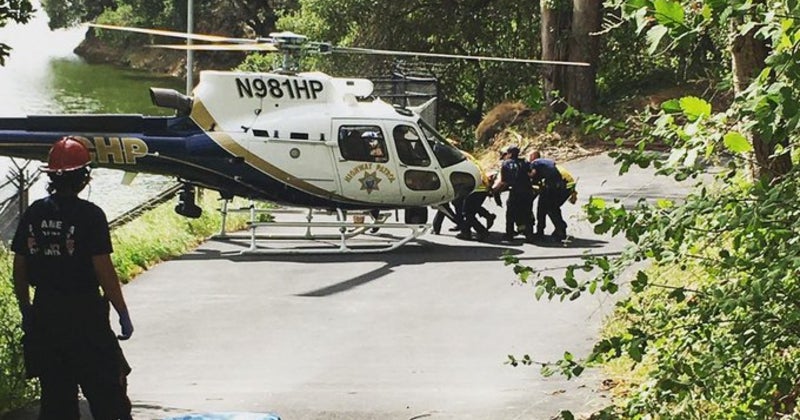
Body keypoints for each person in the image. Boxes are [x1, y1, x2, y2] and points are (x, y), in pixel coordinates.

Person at [12, 137, 134, 420]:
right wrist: (122, 312)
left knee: (56, 401)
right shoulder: (91, 216)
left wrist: (26, 309)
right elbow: (104, 269)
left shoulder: (34, 213)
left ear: (51, 177)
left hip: (46, 315)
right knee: (108, 399)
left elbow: (20, 267)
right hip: (86, 317)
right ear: (84, 177)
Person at [491, 145, 535, 242]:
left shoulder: (506, 164)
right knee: (527, 212)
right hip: (527, 191)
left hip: (515, 191)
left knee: (510, 213)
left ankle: (509, 234)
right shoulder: (524, 162)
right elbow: (532, 174)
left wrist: (496, 191)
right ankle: (530, 235)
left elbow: (503, 181)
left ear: (509, 153)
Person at [528, 156, 577, 241]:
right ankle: (541, 231)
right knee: (543, 206)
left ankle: (560, 229)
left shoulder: (535, 164)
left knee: (550, 207)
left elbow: (533, 176)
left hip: (561, 185)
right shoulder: (546, 165)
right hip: (566, 185)